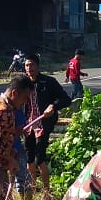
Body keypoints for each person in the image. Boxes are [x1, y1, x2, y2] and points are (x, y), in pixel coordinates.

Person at [23, 54, 72, 192]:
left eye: (32, 65)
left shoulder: (48, 82)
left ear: (38, 66)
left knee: (40, 158)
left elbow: (65, 99)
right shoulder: (23, 83)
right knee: (29, 158)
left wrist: (53, 106)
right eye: (27, 65)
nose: (29, 68)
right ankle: (32, 188)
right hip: (27, 126)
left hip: (42, 125)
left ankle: (46, 192)